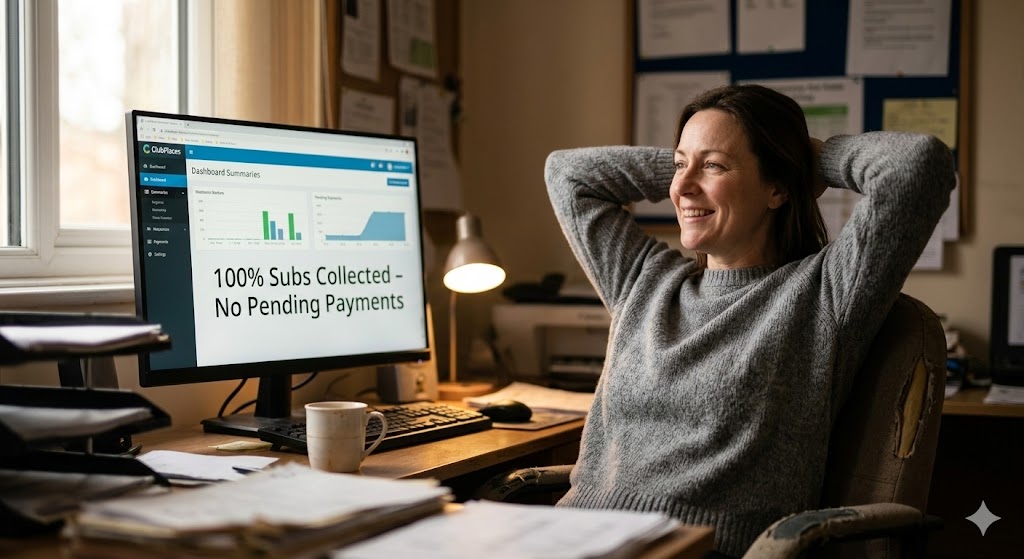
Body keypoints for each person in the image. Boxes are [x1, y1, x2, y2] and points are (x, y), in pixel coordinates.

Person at [543, 84, 954, 558]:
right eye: (680, 167)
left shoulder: (824, 292)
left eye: (714, 166)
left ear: (777, 188)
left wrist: (809, 160)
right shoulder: (644, 280)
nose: (680, 188)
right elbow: (566, 173)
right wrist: (694, 163)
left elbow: (918, 164)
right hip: (572, 535)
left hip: (702, 549)